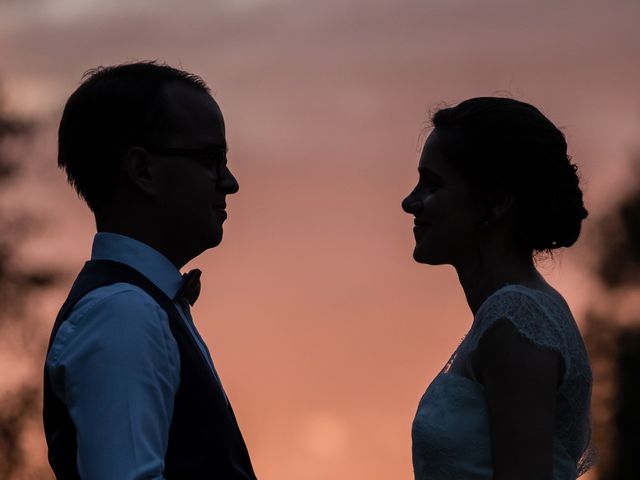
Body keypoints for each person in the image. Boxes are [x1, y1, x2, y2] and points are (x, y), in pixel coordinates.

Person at [43, 62, 257, 479]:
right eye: (212, 160)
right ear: (142, 170)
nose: (229, 182)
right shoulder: (122, 313)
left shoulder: (139, 306)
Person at [402, 97, 595, 480]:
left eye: (433, 184)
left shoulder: (517, 320)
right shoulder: (511, 315)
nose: (411, 202)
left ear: (496, 202)